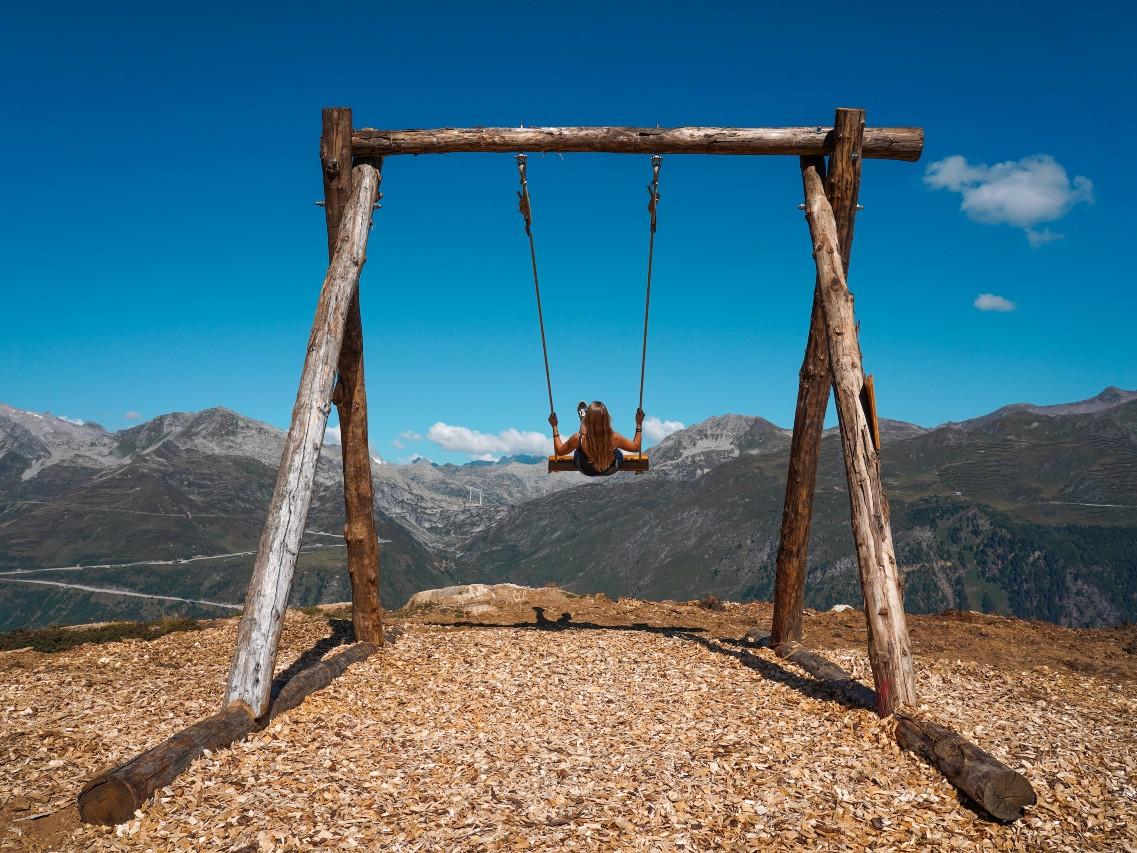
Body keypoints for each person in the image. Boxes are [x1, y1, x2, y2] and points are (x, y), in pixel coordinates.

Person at [549, 401, 645, 477]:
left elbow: (560, 451)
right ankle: (592, 420)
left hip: (586, 469)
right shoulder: (614, 438)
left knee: (580, 445)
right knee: (616, 452)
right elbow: (636, 447)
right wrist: (639, 423)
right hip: (610, 469)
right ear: (607, 418)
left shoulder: (578, 438)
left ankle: (584, 419)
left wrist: (554, 427)